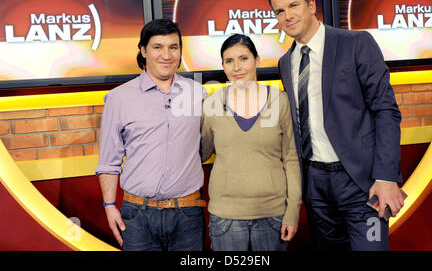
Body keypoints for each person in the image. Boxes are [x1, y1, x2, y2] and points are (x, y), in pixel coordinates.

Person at [267, 0, 405, 251]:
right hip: (316, 185)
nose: (287, 16)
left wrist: (387, 177)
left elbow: (385, 110)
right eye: (279, 11)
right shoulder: (285, 62)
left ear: (311, 5)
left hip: (362, 183)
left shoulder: (356, 43)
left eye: (293, 5)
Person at [95, 19, 207, 251]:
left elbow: (206, 146)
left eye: (173, 47)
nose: (166, 55)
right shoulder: (118, 98)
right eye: (157, 47)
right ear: (144, 50)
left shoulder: (198, 93)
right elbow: (108, 161)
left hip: (188, 213)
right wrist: (108, 205)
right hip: (137, 217)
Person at [201, 34, 302, 251]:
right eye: (229, 61)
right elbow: (202, 153)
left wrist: (293, 210)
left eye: (243, 59)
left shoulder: (280, 101)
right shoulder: (212, 104)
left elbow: (292, 158)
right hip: (226, 217)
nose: (237, 67)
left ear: (257, 60)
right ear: (223, 66)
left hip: (272, 215)